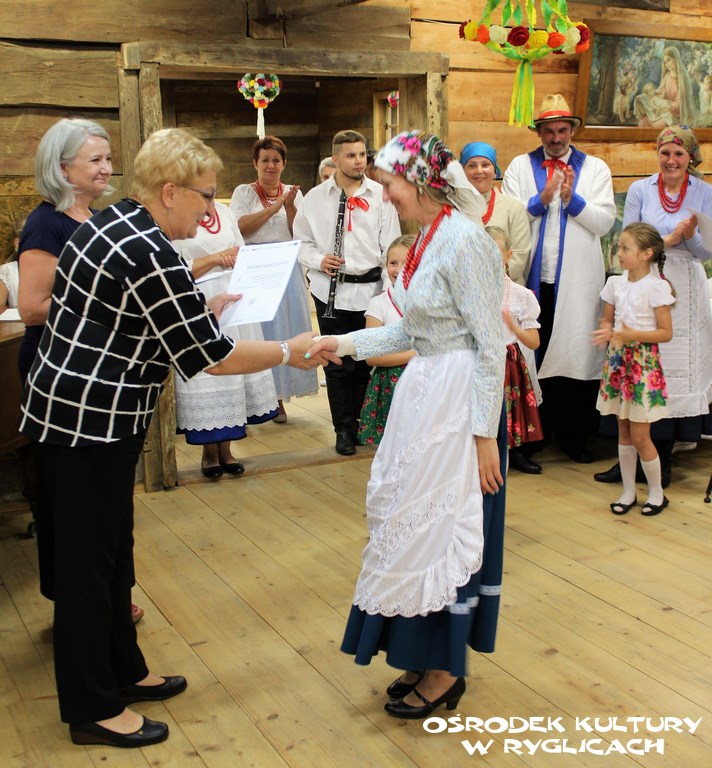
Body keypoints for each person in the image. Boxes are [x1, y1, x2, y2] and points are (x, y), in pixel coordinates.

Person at [19, 127, 334, 748]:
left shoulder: (116, 223)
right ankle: (92, 707)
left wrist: (197, 315)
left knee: (113, 553)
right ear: (169, 192)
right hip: (87, 421)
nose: (211, 211)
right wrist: (288, 351)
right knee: (88, 567)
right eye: (205, 197)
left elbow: (126, 317)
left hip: (83, 413)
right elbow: (212, 358)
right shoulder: (149, 250)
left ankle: (123, 670)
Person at [308, 130, 507, 719]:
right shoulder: (427, 237)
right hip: (426, 390)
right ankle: (419, 652)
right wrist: (341, 342)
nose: (386, 193)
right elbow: (411, 330)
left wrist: (484, 436)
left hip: (458, 398)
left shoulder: (466, 241)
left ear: (420, 181)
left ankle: (445, 668)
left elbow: (491, 345)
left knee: (440, 525)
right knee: (407, 521)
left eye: (391, 182)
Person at [595, 125, 712, 488]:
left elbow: (707, 251)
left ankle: (665, 456)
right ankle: (630, 458)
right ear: (657, 154)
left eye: (679, 154)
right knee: (637, 366)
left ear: (690, 157)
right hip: (644, 277)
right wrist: (670, 239)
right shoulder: (640, 189)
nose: (671, 160)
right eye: (665, 153)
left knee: (673, 368)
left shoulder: (704, 191)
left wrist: (691, 237)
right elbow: (630, 238)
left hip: (685, 284)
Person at [502, 94, 616, 464]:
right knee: (531, 353)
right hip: (532, 280)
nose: (555, 138)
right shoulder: (520, 166)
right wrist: (543, 197)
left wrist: (572, 200)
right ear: (539, 132)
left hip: (577, 282)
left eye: (562, 130)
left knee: (573, 354)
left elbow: (605, 222)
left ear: (572, 131)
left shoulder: (595, 168)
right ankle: (532, 439)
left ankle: (573, 437)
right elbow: (510, 216)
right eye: (548, 131)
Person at [294, 129, 401, 455]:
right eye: (351, 155)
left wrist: (388, 293)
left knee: (367, 361)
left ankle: (365, 424)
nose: (359, 161)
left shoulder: (381, 195)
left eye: (362, 155)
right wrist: (319, 260)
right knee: (338, 364)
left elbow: (390, 245)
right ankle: (343, 429)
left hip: (371, 291)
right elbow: (301, 243)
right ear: (336, 158)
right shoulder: (314, 198)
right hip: (331, 291)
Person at [172, 201, 278, 477]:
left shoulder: (225, 211)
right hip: (201, 296)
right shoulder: (177, 213)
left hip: (234, 295)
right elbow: (175, 269)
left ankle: (227, 450)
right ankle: (209, 452)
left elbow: (241, 248)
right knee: (209, 368)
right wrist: (216, 258)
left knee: (235, 367)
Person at [230, 136, 317, 423]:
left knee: (284, 329)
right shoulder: (244, 192)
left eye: (276, 160)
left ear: (284, 164)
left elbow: (299, 233)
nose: (270, 165)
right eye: (265, 160)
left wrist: (289, 207)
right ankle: (255, 399)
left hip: (286, 265)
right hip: (254, 265)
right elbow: (242, 228)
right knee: (258, 332)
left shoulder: (295, 193)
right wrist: (275, 205)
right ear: (255, 163)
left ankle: (279, 398)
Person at [592, 223, 675, 516]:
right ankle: (628, 491)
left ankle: (657, 494)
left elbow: (666, 333)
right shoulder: (616, 284)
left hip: (642, 365)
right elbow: (607, 319)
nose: (619, 253)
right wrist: (606, 330)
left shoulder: (657, 287)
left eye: (625, 248)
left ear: (646, 253)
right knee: (623, 431)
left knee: (641, 436)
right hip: (619, 363)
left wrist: (631, 335)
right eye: (619, 247)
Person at [486, 226, 543, 457]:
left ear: (508, 255)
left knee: (504, 427)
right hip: (480, 361)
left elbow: (534, 342)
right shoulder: (469, 291)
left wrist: (514, 326)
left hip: (507, 366)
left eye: (495, 253)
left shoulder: (521, 295)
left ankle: (503, 466)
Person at [356, 234, 415, 446]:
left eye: (406, 263)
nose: (398, 270)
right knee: (392, 447)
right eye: (393, 263)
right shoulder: (379, 304)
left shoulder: (434, 301)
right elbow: (371, 357)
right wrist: (414, 355)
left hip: (426, 383)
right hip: (390, 385)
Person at [459, 141, 531, 285]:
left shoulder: (513, 208)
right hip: (462, 287)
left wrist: (483, 280)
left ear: (495, 171)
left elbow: (519, 256)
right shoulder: (453, 208)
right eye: (472, 165)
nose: (479, 170)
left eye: (485, 165)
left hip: (506, 289)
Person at [634, 46, 697, 129]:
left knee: (659, 125)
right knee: (643, 121)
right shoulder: (667, 75)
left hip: (675, 113)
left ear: (676, 59)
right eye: (665, 62)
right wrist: (644, 97)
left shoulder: (682, 79)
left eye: (668, 60)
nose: (667, 64)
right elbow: (659, 91)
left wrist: (666, 108)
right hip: (664, 108)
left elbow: (679, 104)